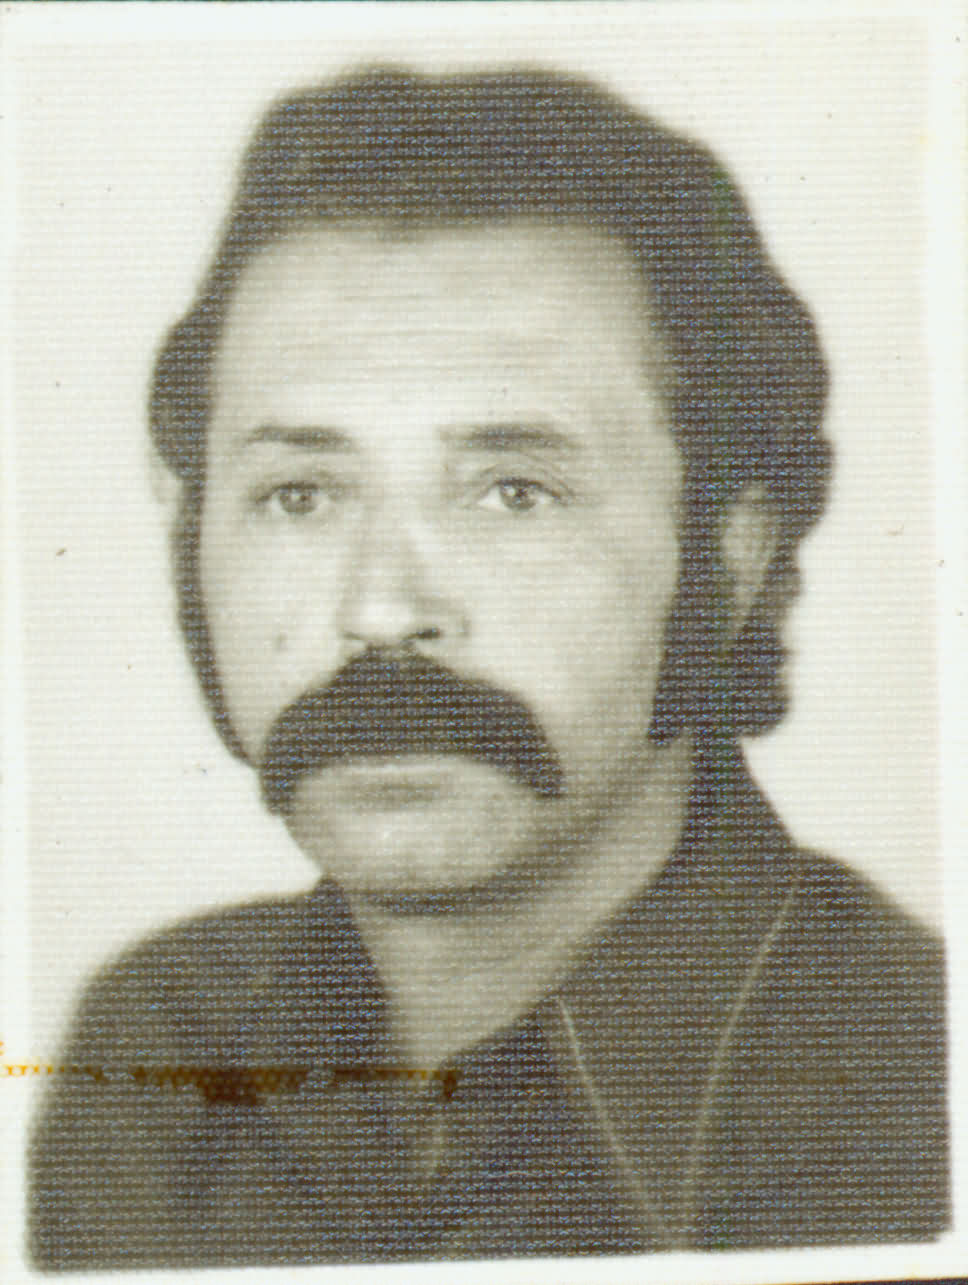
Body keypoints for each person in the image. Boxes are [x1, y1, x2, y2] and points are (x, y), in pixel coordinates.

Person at [28, 67, 947, 1269]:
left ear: (727, 559)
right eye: (298, 494)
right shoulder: (157, 1051)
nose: (380, 611)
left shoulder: (914, 1093)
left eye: (513, 492)